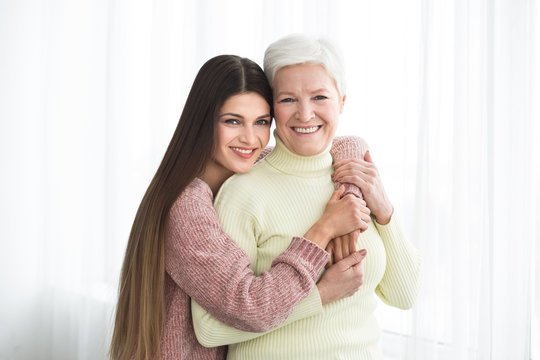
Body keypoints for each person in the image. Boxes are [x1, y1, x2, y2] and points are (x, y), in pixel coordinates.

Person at [109, 54, 373, 360]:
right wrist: (325, 232)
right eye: (232, 121)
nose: (250, 138)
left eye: (261, 122)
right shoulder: (186, 206)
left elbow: (344, 143)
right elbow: (250, 305)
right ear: (203, 122)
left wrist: (350, 192)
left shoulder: (250, 164)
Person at [192, 35, 422, 359]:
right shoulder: (242, 194)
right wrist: (319, 295)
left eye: (319, 97)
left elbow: (405, 295)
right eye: (288, 100)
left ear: (342, 101)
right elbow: (209, 328)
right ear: (270, 107)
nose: (304, 113)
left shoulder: (357, 180)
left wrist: (384, 210)